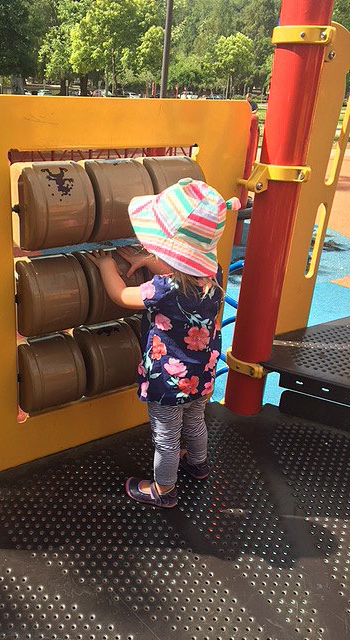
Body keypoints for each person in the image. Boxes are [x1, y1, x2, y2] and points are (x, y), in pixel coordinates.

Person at [87, 179, 240, 508]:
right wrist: (150, 262)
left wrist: (105, 266)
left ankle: (163, 489)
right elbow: (182, 273)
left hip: (168, 382)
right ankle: (198, 465)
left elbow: (120, 294)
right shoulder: (213, 282)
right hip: (202, 375)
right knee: (196, 421)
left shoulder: (162, 289)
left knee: (166, 437)